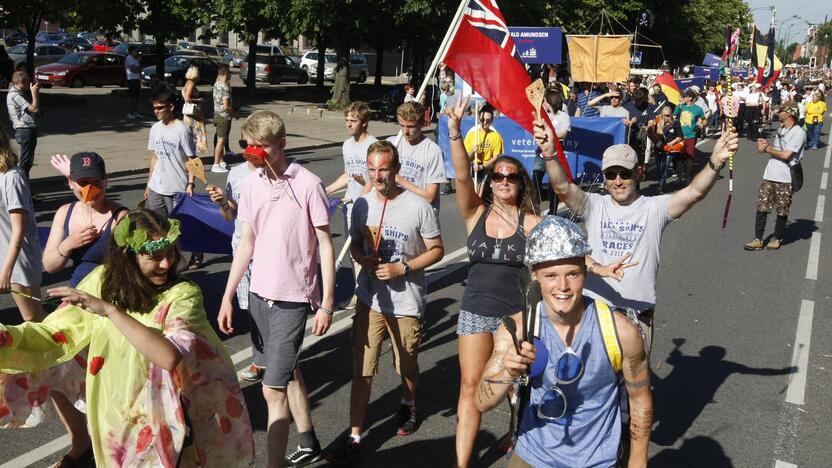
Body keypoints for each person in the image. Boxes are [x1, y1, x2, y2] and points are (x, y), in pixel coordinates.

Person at [0, 209, 255, 466]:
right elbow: (52, 335)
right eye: (155, 256)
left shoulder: (182, 294)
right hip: (113, 413)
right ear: (128, 256)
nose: (166, 264)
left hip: (163, 418)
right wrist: (4, 336)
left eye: (170, 253)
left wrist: (110, 311)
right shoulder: (102, 281)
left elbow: (169, 356)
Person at [538, 113, 739, 356]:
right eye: (611, 174)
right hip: (594, 311)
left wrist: (715, 161)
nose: (618, 181)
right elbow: (561, 187)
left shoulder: (655, 208)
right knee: (593, 387)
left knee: (635, 388)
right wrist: (550, 152)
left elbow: (695, 192)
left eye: (625, 173)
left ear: (640, 173)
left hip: (637, 312)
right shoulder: (593, 205)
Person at [475, 215, 652, 468]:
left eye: (572, 274)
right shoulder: (518, 329)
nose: (563, 286)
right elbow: (482, 402)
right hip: (533, 456)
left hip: (595, 461)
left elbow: (640, 400)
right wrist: (508, 370)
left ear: (584, 272)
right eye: (551, 276)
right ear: (534, 276)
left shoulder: (620, 331)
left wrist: (638, 462)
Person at [217, 110, 336, 467]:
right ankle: (309, 440)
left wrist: (327, 303)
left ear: (282, 145)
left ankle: (274, 463)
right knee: (285, 371)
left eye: (263, 147)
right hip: (258, 295)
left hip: (293, 299)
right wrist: (227, 295)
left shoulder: (308, 184)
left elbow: (325, 245)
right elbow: (247, 242)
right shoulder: (251, 182)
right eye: (250, 146)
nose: (255, 153)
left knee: (271, 388)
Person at [327, 140, 444, 463]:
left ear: (397, 170)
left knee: (405, 365)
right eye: (373, 170)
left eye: (384, 169)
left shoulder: (417, 206)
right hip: (370, 299)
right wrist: (362, 259)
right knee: (361, 370)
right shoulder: (362, 204)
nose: (378, 176)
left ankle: (408, 401)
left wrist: (403, 267)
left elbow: (437, 249)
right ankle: (354, 435)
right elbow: (355, 247)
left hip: (406, 302)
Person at [446, 96, 541, 467]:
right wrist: (456, 134)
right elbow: (461, 176)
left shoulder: (531, 224)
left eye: (511, 177)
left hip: (514, 318)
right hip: (475, 311)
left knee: (515, 389)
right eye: (498, 176)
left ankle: (517, 436)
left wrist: (598, 267)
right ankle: (462, 461)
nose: (503, 181)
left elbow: (562, 260)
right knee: (470, 388)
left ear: (520, 184)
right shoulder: (475, 214)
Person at [39, 151, 128, 466]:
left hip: (108, 307)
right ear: (71, 183)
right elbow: (49, 264)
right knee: (53, 370)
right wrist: (69, 243)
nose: (89, 190)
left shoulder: (120, 217)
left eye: (95, 183)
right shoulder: (65, 212)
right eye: (82, 183)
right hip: (73, 306)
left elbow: (135, 269)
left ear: (106, 182)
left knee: (103, 379)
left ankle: (111, 446)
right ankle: (81, 438)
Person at [206, 158, 261, 383]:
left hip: (267, 248)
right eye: (245, 144)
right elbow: (230, 215)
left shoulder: (275, 172)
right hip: (242, 248)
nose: (250, 151)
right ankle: (261, 360)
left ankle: (274, 359)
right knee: (251, 309)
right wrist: (222, 203)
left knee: (265, 306)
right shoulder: (236, 174)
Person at [325, 101, 378, 310]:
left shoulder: (373, 146)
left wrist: (361, 199)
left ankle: (371, 292)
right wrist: (327, 190)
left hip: (368, 208)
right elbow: (349, 175)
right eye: (346, 120)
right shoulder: (347, 145)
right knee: (353, 252)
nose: (348, 124)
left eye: (353, 121)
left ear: (364, 123)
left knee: (369, 253)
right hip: (350, 207)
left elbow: (374, 179)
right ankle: (360, 292)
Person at [144, 88, 203, 271]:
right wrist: (148, 183)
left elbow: (192, 160)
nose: (156, 111)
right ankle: (165, 261)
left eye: (159, 108)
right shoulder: (155, 128)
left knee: (179, 229)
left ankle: (196, 251)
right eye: (154, 108)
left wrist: (191, 183)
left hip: (176, 189)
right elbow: (155, 156)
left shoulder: (182, 130)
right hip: (157, 187)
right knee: (154, 227)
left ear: (171, 107)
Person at [744, 102, 806, 251]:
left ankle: (777, 238)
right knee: (762, 208)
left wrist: (768, 149)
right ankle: (758, 239)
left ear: (790, 114)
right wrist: (763, 147)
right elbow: (772, 150)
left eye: (781, 111)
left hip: (785, 177)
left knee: (782, 209)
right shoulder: (781, 129)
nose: (778, 113)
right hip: (770, 174)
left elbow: (786, 155)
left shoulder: (798, 132)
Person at [0, 127, 43, 323]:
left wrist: (6, 270)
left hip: (17, 260)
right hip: (4, 254)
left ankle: (64, 352)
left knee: (32, 318)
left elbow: (19, 229)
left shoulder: (11, 177)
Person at [388, 101, 446, 212]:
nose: (405, 131)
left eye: (410, 126)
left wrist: (398, 179)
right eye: (402, 125)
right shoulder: (392, 144)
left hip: (421, 215)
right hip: (396, 213)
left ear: (421, 124)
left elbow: (429, 196)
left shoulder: (432, 151)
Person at [533, 88, 570, 216]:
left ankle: (552, 211)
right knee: (536, 177)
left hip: (556, 152)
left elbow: (564, 133)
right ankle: (535, 207)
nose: (543, 103)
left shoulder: (563, 116)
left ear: (551, 101)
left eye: (545, 100)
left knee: (554, 182)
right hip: (541, 151)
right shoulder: (543, 115)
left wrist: (549, 136)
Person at [5, 71, 40, 178]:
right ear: (21, 82)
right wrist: (34, 93)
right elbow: (34, 108)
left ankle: (24, 185)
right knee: (26, 162)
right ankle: (22, 185)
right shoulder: (15, 95)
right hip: (25, 130)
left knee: (27, 161)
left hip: (24, 130)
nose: (30, 84)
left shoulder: (16, 94)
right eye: (28, 82)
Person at [673, 89, 707, 186]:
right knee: (679, 157)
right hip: (679, 136)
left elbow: (703, 120)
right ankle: (680, 176)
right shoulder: (679, 107)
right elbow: (673, 119)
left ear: (690, 98)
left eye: (684, 96)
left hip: (691, 136)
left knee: (689, 157)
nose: (682, 98)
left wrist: (701, 124)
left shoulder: (698, 109)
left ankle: (687, 175)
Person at [649, 106, 685, 193]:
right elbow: (653, 135)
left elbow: (680, 137)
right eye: (664, 115)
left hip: (669, 150)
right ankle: (663, 184)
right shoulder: (658, 123)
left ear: (671, 115)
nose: (666, 117)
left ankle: (661, 187)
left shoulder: (676, 123)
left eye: (668, 115)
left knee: (664, 168)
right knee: (659, 169)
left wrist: (671, 143)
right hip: (658, 148)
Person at [464, 104, 504, 173]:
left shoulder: (496, 136)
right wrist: (472, 151)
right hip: (472, 167)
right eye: (482, 119)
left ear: (491, 121)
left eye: (488, 120)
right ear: (479, 119)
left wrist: (482, 166)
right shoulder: (471, 135)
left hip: (487, 169)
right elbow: (465, 158)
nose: (484, 122)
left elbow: (496, 157)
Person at [182, 65, 208, 154]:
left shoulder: (187, 83)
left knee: (191, 134)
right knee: (196, 134)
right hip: (193, 113)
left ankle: (191, 153)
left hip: (189, 113)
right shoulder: (191, 84)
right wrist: (198, 100)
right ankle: (192, 154)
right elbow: (187, 98)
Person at [211, 64, 233, 173]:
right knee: (221, 141)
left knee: (219, 138)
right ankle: (216, 164)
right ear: (226, 73)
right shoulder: (224, 87)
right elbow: (226, 106)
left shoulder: (216, 85)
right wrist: (233, 111)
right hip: (224, 116)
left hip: (216, 115)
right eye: (229, 73)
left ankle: (220, 160)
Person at [125, 46, 143, 120]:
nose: (137, 52)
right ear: (132, 51)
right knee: (132, 97)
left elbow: (139, 68)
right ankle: (130, 112)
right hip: (132, 79)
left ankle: (135, 112)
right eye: (136, 51)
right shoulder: (129, 58)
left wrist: (139, 69)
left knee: (137, 97)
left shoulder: (135, 59)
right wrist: (139, 70)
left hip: (136, 79)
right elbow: (133, 69)